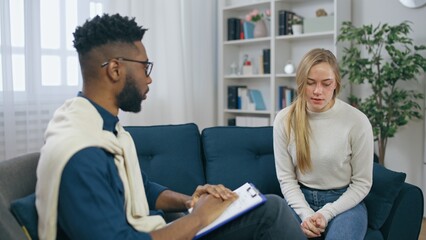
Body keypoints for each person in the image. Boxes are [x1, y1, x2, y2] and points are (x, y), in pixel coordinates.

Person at [35, 13, 306, 240]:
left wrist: (189, 201)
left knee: (265, 205)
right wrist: (199, 217)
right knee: (272, 211)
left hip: (159, 226)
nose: (149, 80)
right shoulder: (83, 154)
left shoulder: (104, 128)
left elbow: (144, 188)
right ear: (115, 70)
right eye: (145, 67)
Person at [273, 48, 374, 239]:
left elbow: (362, 183)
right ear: (301, 83)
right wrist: (307, 215)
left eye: (326, 83)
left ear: (336, 83)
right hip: (299, 200)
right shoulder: (284, 119)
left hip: (345, 203)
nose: (318, 91)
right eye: (310, 83)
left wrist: (326, 213)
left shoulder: (357, 121)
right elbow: (286, 179)